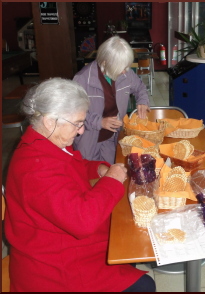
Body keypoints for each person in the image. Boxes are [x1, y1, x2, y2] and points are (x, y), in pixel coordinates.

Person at [4, 78, 156, 292]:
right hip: (54, 269)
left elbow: (72, 165)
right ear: (50, 122)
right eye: (77, 123)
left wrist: (99, 169)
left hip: (60, 247)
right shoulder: (34, 169)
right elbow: (83, 222)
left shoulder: (43, 142)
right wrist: (112, 180)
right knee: (144, 286)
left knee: (126, 243)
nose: (82, 130)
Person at [73, 36, 150, 164]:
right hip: (89, 138)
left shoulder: (126, 73)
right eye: (121, 67)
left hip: (113, 137)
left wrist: (142, 100)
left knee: (112, 170)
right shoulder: (81, 79)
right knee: (90, 176)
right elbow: (72, 114)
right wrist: (100, 122)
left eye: (126, 66)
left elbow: (140, 87)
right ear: (105, 62)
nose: (125, 71)